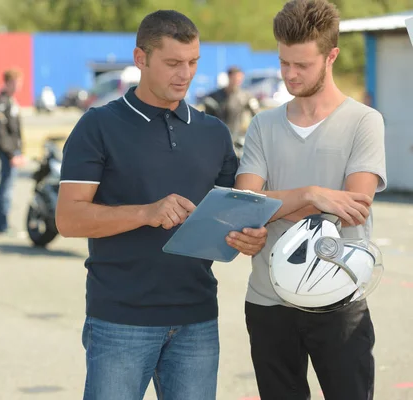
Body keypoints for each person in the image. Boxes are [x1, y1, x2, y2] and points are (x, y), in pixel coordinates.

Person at [55, 10, 268, 400]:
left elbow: (226, 215)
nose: (184, 74)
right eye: (172, 63)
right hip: (121, 318)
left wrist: (246, 237)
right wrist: (146, 212)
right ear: (141, 59)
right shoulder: (98, 126)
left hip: (197, 318)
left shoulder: (214, 133)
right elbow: (68, 218)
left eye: (192, 63)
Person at [234, 1, 387, 399]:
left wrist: (272, 206)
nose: (289, 74)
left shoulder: (364, 122)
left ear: (331, 55)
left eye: (301, 64)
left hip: (338, 300)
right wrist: (313, 195)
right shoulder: (263, 124)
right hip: (267, 302)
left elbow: (355, 205)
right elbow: (245, 204)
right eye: (284, 62)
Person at [0, 69, 25, 234]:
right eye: (16, 82)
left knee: (8, 188)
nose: (18, 86)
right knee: (6, 189)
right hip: (7, 153)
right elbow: (0, 132)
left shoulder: (11, 101)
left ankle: (4, 223)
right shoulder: (2, 102)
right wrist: (11, 154)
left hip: (13, 151)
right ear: (9, 82)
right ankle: (1, 225)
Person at [202, 65, 259, 141]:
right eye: (235, 77)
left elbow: (256, 115)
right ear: (229, 77)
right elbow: (206, 119)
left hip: (237, 138)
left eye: (240, 78)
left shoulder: (246, 96)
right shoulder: (215, 96)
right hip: (217, 137)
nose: (238, 80)